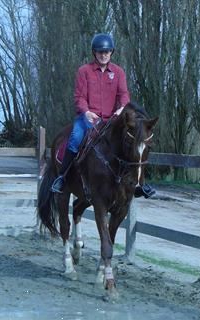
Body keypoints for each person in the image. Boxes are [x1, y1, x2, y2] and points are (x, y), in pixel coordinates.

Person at [51, 33, 156, 199]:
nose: (104, 54)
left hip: (110, 119)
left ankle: (140, 183)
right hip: (87, 118)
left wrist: (121, 109)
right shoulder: (84, 71)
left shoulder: (119, 72)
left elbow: (124, 95)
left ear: (111, 52)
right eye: (100, 52)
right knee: (75, 139)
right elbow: (79, 97)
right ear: (94, 52)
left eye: (107, 51)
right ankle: (62, 178)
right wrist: (86, 112)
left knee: (133, 142)